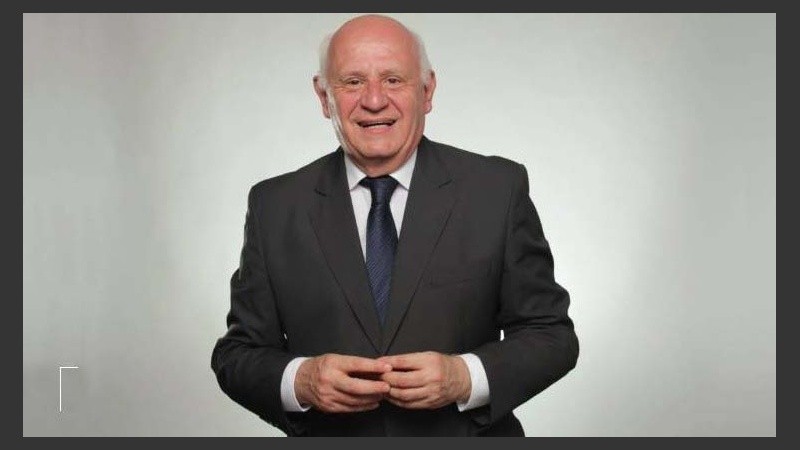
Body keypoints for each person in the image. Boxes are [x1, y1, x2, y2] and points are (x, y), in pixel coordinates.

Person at [211, 14, 578, 437]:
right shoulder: (274, 206)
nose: (373, 100)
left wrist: (464, 377)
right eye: (352, 82)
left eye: (393, 80)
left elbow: (551, 335)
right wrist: (302, 381)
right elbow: (237, 354)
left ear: (427, 91)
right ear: (324, 96)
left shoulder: (497, 190)